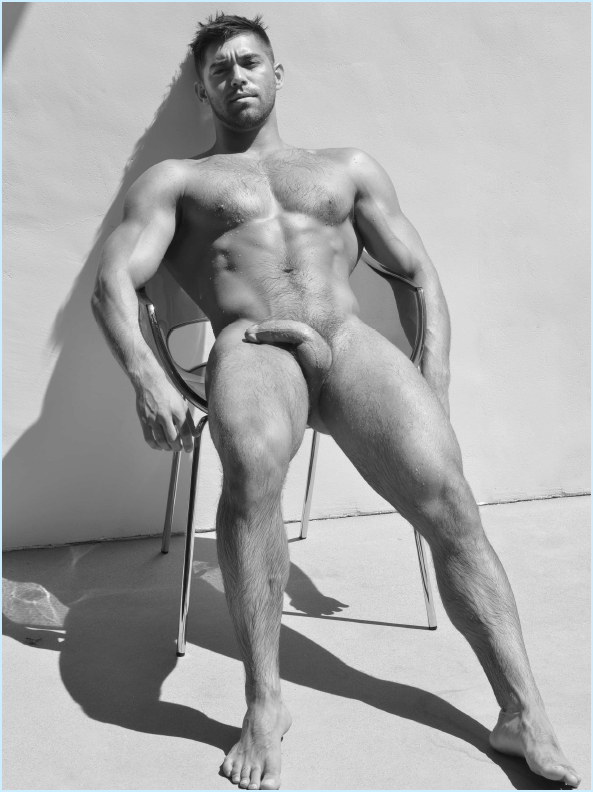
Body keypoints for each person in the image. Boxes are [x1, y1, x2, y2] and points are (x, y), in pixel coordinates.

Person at [91, 13, 580, 791]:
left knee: (449, 498)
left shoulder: (345, 168)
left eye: (249, 62)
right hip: (254, 343)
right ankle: (264, 703)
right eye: (219, 70)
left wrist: (433, 376)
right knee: (251, 471)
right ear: (202, 91)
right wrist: (149, 379)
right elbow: (114, 283)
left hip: (348, 344)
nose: (237, 77)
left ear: (277, 72)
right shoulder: (177, 182)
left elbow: (416, 274)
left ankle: (521, 712)